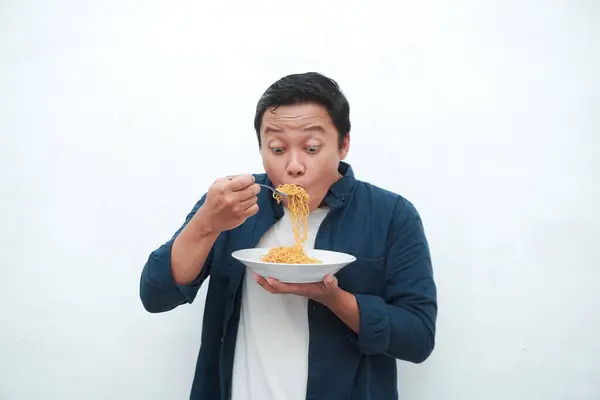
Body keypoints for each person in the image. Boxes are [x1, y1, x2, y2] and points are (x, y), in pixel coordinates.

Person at [139, 72, 437, 400]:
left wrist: (334, 299)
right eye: (278, 148)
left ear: (344, 144)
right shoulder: (231, 204)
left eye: (311, 147)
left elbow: (418, 337)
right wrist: (205, 224)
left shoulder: (391, 215)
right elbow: (156, 296)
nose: (294, 166)